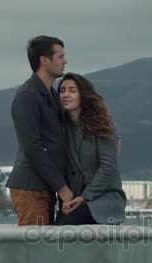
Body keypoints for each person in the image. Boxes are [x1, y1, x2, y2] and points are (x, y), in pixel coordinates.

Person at [6, 35, 74, 225]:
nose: (65, 61)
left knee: (42, 250)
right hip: (30, 188)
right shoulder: (27, 96)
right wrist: (61, 188)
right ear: (44, 60)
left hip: (44, 187)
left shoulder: (51, 94)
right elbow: (32, 147)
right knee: (33, 251)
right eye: (60, 56)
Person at [54, 73, 126, 225]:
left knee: (67, 225)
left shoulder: (102, 126)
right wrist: (68, 199)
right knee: (59, 229)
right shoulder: (60, 128)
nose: (66, 94)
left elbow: (108, 167)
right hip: (75, 201)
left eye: (72, 90)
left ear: (83, 95)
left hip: (103, 199)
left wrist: (84, 197)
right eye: (62, 90)